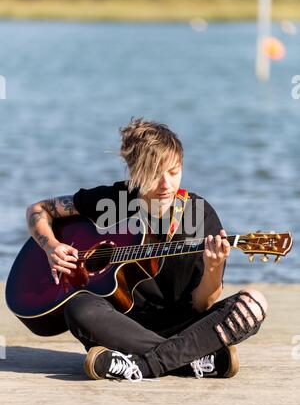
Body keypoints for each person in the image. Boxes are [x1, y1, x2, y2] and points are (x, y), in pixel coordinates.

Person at [26, 118, 268, 381]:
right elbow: (39, 210)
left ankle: (140, 366)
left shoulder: (199, 215)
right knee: (78, 308)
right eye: (154, 174)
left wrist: (214, 267)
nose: (166, 185)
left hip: (185, 328)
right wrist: (52, 246)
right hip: (120, 327)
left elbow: (203, 305)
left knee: (254, 303)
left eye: (173, 172)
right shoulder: (114, 201)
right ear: (134, 172)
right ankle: (189, 361)